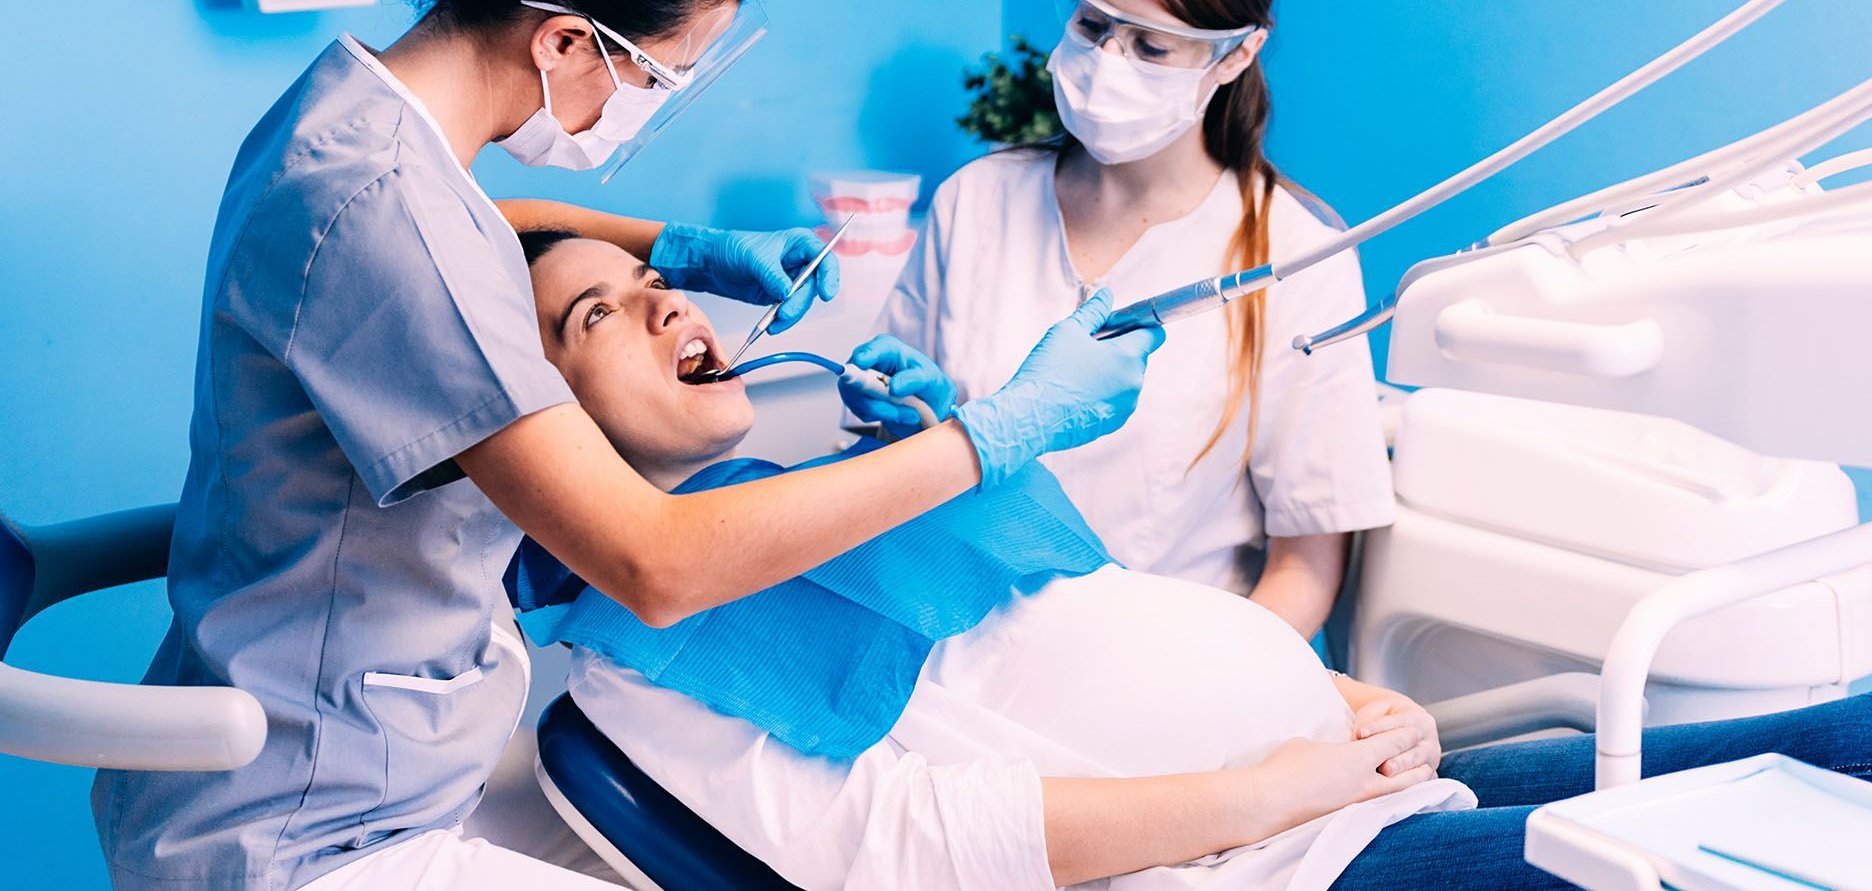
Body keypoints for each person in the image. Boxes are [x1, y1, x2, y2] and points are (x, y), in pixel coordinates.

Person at [89, 0, 1161, 888]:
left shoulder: (352, 119)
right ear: (561, 41)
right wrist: (998, 432)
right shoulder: (382, 211)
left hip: (349, 765)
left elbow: (468, 218)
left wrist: (674, 246)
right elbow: (658, 563)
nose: (642, 110)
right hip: (302, 837)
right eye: (655, 77)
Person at [515, 229, 1872, 891]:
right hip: (1265, 865)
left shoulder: (831, 477)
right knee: (1735, 868)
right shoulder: (649, 651)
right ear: (528, 423)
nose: (665, 308)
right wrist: (1273, 790)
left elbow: (1097, 621)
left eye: (660, 291)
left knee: (1835, 740)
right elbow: (925, 845)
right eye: (601, 321)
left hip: (1347, 790)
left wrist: (1337, 705)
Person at [877, 0, 1386, 638]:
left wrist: (1195, 703)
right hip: (953, 649)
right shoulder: (975, 202)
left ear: (1239, 54)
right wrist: (894, 417)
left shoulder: (1296, 259)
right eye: (1091, 25)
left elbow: (1305, 567)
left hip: (1166, 671)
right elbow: (899, 471)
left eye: (1152, 47)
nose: (1108, 63)